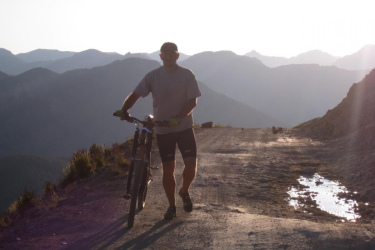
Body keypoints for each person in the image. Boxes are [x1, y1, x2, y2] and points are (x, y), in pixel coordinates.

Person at [119, 42, 201, 220]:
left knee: (191, 165)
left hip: (184, 127)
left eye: (172, 53)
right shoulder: (153, 76)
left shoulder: (187, 75)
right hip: (163, 130)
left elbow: (192, 101)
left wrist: (179, 117)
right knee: (168, 168)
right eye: (166, 53)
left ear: (177, 56)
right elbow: (136, 94)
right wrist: (124, 109)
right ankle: (171, 206)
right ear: (161, 56)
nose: (169, 56)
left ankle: (184, 191)